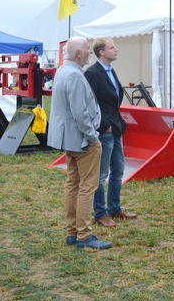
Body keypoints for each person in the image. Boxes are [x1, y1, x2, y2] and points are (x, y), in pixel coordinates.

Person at [48, 37, 113, 250]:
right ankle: (84, 236)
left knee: (73, 185)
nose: (90, 52)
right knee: (87, 187)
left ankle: (73, 232)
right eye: (87, 48)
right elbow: (80, 112)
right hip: (83, 140)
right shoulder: (75, 75)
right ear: (79, 53)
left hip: (71, 139)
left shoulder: (62, 71)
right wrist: (92, 136)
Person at [84, 37, 137, 228]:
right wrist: (104, 125)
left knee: (118, 170)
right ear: (101, 52)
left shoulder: (110, 70)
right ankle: (100, 213)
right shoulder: (92, 73)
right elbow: (90, 102)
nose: (116, 50)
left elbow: (114, 99)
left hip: (115, 127)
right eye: (112, 47)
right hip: (105, 129)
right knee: (101, 174)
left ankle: (115, 208)